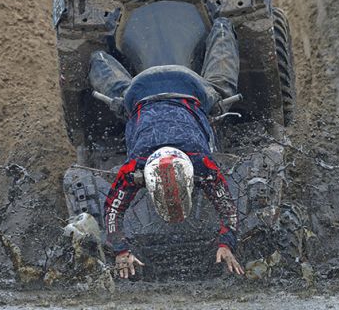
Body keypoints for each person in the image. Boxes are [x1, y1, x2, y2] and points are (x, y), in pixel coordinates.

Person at [89, 17, 244, 278]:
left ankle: (96, 55)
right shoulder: (202, 161)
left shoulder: (134, 166)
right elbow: (227, 208)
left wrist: (120, 249)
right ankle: (222, 26)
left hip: (161, 89)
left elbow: (113, 210)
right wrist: (226, 243)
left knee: (220, 88)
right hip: (148, 91)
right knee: (221, 91)